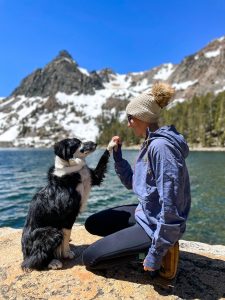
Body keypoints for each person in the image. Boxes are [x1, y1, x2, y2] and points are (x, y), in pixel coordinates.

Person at [82, 82, 191, 278]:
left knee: (91, 259)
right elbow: (133, 183)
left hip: (156, 222)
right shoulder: (150, 143)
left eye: (130, 118)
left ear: (142, 117)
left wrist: (154, 256)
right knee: (93, 224)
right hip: (147, 211)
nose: (128, 123)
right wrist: (117, 156)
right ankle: (142, 242)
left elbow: (172, 207)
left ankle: (157, 251)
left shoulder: (161, 148)